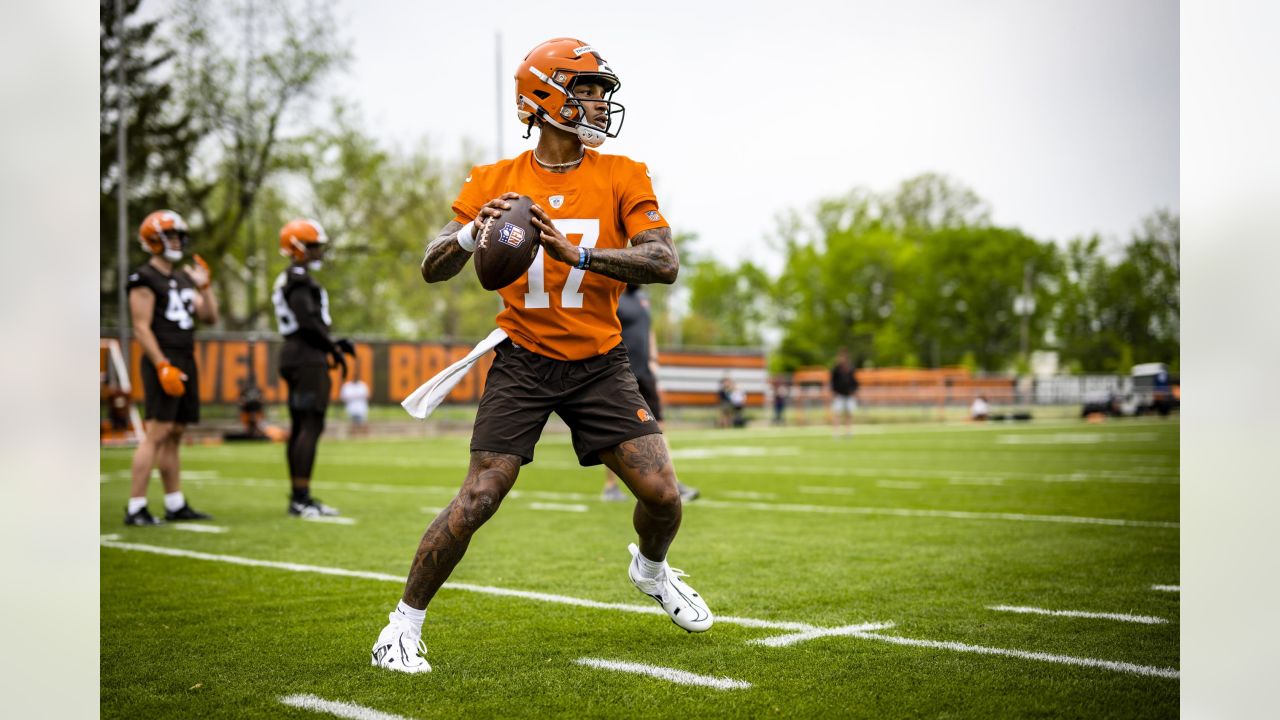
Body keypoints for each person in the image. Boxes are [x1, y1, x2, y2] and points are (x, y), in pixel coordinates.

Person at [371, 37, 713, 674]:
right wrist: (474, 232)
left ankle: (652, 570)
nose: (597, 103)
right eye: (585, 90)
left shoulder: (622, 173)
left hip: (600, 361)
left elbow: (663, 261)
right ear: (545, 97)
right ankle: (401, 625)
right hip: (524, 358)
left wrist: (577, 253)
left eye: (598, 92)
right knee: (480, 495)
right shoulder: (494, 181)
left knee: (663, 495)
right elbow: (430, 265)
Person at [124, 210, 217, 526]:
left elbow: (210, 317)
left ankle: (174, 502)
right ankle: (136, 506)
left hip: (186, 356)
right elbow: (141, 327)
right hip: (162, 358)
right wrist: (162, 365)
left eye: (179, 235)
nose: (177, 241)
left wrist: (206, 286)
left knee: (176, 432)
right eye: (171, 235)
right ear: (154, 240)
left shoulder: (182, 278)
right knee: (157, 431)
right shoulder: (143, 278)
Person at [271, 218, 356, 518]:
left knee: (300, 425)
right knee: (310, 424)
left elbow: (307, 322)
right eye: (313, 246)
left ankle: (299, 496)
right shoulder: (298, 278)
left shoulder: (293, 277)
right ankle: (301, 498)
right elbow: (307, 321)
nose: (318, 251)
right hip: (306, 356)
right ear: (296, 247)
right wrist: (330, 347)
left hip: (296, 352)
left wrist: (333, 343)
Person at [601, 285, 698, 503]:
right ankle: (610, 486)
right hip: (621, 371)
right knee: (616, 431)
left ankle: (671, 481)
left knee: (659, 427)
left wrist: (654, 360)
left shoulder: (643, 298)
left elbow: (648, 330)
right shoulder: (613, 294)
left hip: (645, 372)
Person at [831, 347, 859, 437]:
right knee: (837, 413)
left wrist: (854, 391)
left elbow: (855, 381)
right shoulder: (836, 369)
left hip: (849, 394)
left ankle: (848, 431)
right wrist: (834, 392)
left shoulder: (851, 369)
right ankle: (836, 432)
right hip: (839, 394)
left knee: (849, 414)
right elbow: (832, 382)